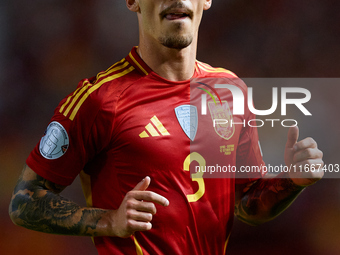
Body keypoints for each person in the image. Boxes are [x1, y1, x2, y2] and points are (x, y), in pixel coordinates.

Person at [9, 0, 324, 254]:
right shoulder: (100, 100)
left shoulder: (231, 91)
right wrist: (108, 221)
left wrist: (291, 181)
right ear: (133, 2)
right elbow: (24, 201)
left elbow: (247, 206)